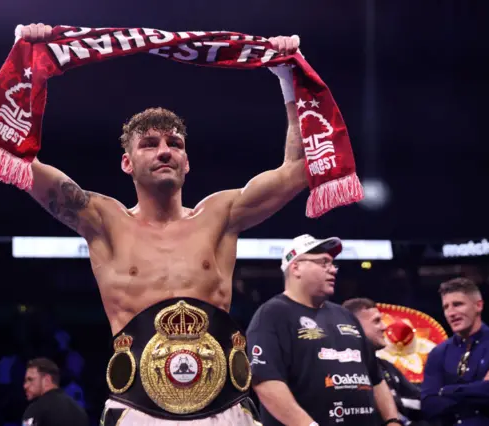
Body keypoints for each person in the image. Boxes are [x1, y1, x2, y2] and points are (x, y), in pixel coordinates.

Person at [16, 23, 306, 425]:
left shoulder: (221, 216)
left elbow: (298, 171)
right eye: (149, 144)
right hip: (140, 412)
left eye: (175, 144)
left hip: (225, 410)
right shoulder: (103, 221)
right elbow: (20, 163)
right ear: (127, 162)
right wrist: (32, 69)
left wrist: (288, 78)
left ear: (187, 162)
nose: (164, 152)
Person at [246, 234, 401, 426]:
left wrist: (392, 421)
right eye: (323, 263)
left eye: (333, 264)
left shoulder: (345, 316)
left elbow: (375, 377)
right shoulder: (271, 315)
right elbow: (265, 383)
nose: (333, 270)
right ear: (296, 267)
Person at [343, 297, 429, 426]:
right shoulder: (336, 367)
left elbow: (420, 402)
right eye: (377, 321)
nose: (384, 327)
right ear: (354, 326)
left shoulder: (385, 366)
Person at [420, 278, 489, 425]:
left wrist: (446, 391)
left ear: (478, 306)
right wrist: (479, 390)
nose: (451, 313)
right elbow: (429, 404)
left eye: (458, 304)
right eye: (446, 307)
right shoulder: (438, 353)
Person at [22, 357, 89, 426]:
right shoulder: (79, 411)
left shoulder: (36, 409)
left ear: (47, 380)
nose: (25, 386)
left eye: (30, 379)